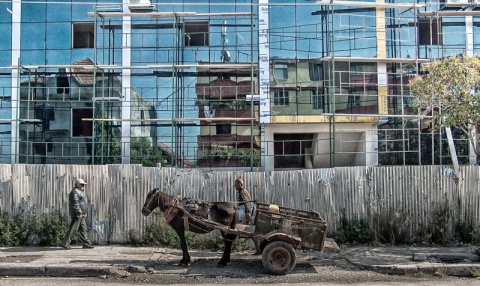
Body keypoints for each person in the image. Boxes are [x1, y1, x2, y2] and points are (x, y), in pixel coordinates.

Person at [61, 178, 94, 250]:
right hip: (77, 214)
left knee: (83, 229)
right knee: (73, 229)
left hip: (81, 214)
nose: (83, 186)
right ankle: (66, 244)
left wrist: (83, 213)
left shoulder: (80, 191)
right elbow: (75, 203)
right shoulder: (75, 192)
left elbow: (82, 203)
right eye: (82, 184)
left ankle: (86, 244)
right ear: (77, 184)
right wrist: (79, 213)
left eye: (83, 184)